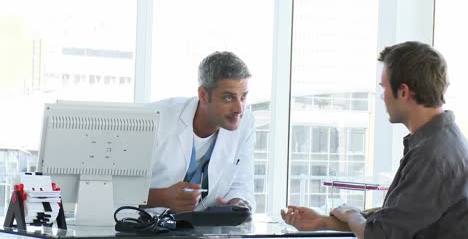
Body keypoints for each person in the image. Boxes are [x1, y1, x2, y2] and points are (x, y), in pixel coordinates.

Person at [281, 41, 468, 238]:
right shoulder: (440, 143)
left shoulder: (432, 156)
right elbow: (399, 219)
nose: (382, 96)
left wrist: (351, 213)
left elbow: (379, 235)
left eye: (384, 87)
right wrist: (324, 221)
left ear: (403, 92)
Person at [146, 51, 256, 213]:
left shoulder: (246, 122)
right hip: (146, 226)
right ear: (203, 95)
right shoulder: (156, 119)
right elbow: (115, 191)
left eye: (243, 97)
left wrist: (236, 202)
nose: (239, 109)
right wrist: (162, 197)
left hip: (204, 229)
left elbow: (241, 183)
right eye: (228, 98)